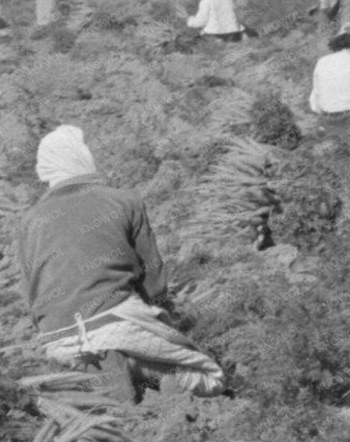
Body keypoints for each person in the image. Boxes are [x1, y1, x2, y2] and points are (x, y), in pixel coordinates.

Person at [16, 125, 225, 403]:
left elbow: (30, 294)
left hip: (57, 340)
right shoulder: (124, 200)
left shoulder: (29, 221)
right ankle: (136, 367)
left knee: (103, 346)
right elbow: (153, 281)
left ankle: (105, 370)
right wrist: (166, 323)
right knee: (209, 377)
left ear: (46, 170)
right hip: (115, 322)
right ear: (84, 158)